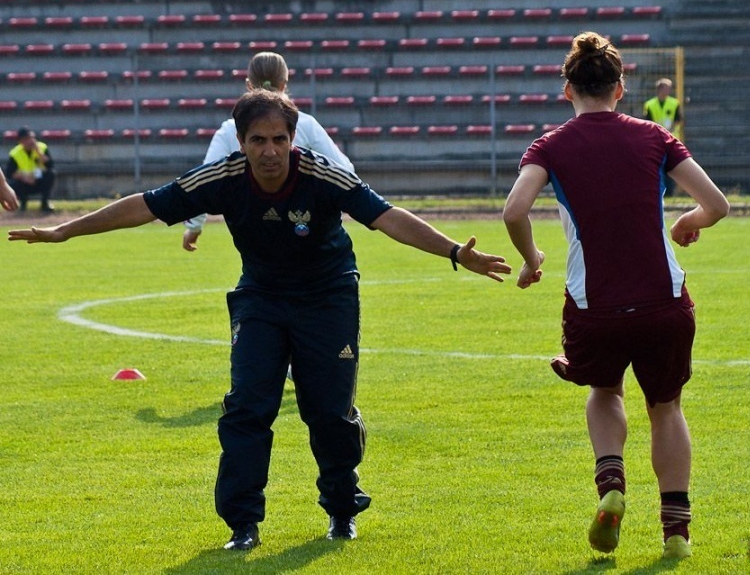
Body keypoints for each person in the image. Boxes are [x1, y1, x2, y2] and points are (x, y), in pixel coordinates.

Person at [10, 89, 511, 551]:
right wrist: (65, 232)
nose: (269, 150)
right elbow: (145, 206)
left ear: (293, 140)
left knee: (329, 412)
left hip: (328, 296)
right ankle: (242, 525)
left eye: (279, 139)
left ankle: (341, 507)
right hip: (262, 300)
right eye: (258, 140)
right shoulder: (223, 177)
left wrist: (453, 252)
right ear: (241, 141)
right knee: (247, 407)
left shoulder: (322, 174)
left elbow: (386, 216)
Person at [503, 32, 729, 560]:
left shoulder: (550, 146)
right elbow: (715, 203)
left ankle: (612, 486)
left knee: (605, 391)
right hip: (663, 302)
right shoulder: (654, 137)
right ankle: (676, 532)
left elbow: (514, 211)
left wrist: (533, 259)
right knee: (666, 407)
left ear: (567, 89)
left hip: (595, 307)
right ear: (621, 87)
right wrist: (687, 224)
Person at [182, 51, 353, 252]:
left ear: (248, 85)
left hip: (258, 232)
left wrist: (194, 227)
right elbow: (345, 171)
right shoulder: (306, 124)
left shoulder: (230, 129)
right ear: (284, 84)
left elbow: (204, 181)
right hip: (309, 230)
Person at [643, 78, 683, 196]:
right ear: (660, 89)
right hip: (655, 140)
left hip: (671, 139)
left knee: (670, 168)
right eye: (667, 88)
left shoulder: (674, 103)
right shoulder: (649, 105)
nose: (669, 90)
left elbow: (678, 120)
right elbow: (647, 121)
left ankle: (669, 193)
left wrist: (669, 131)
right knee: (657, 168)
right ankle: (659, 192)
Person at [6, 127, 55, 213]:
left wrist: (39, 153)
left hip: (40, 181)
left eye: (32, 138)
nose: (30, 141)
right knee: (13, 184)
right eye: (27, 139)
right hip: (25, 183)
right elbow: (9, 173)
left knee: (50, 174)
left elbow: (50, 165)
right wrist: (24, 177)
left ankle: (45, 203)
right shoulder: (15, 153)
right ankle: (22, 204)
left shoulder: (42, 147)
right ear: (20, 141)